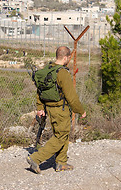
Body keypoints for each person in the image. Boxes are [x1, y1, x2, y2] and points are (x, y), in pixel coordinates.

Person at [27, 46, 86, 174]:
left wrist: (40, 107)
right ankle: (36, 158)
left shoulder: (48, 69)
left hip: (49, 109)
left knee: (62, 134)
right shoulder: (62, 73)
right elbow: (71, 96)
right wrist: (80, 110)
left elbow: (40, 91)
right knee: (60, 136)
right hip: (61, 110)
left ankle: (61, 163)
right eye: (69, 58)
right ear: (66, 57)